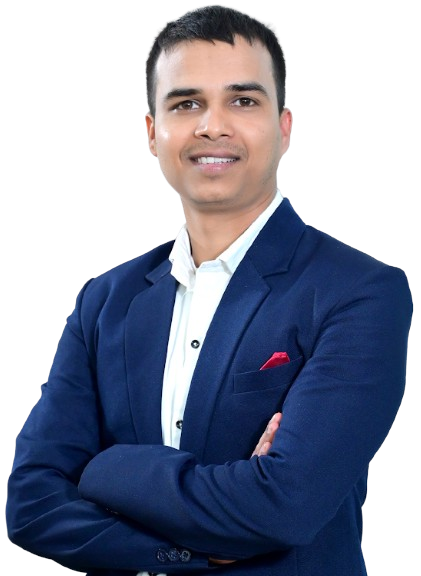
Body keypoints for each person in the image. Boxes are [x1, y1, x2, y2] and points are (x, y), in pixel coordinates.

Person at [6, 4, 413, 575]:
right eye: (186, 103)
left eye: (242, 101)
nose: (212, 126)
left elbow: (284, 507)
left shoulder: (359, 292)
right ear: (152, 133)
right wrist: (187, 553)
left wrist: (104, 467)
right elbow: (31, 504)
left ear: (284, 128)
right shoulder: (104, 300)